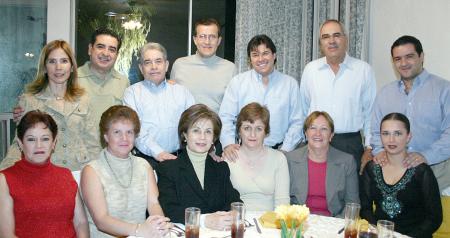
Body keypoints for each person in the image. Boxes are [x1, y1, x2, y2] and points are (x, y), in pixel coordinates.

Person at [366, 35, 450, 238]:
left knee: (434, 226)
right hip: (391, 173)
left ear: (422, 57)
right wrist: (379, 152)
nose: (403, 63)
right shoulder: (385, 93)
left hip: (435, 172)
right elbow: (376, 132)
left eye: (409, 56)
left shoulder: (443, 89)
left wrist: (425, 156)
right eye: (397, 59)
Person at [1, 40, 100, 171]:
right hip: (44, 174)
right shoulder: (29, 100)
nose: (58, 67)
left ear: (71, 67)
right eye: (52, 61)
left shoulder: (84, 99)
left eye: (64, 61)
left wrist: (96, 174)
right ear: (45, 67)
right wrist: (5, 172)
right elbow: (19, 144)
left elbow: (93, 144)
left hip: (78, 172)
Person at [80, 105, 171, 237]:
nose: (124, 138)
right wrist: (140, 230)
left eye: (129, 132)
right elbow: (101, 220)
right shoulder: (92, 171)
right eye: (117, 132)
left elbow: (153, 203)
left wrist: (159, 227)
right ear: (106, 136)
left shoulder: (144, 165)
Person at [13, 28, 130, 127]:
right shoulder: (69, 78)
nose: (105, 53)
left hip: (112, 151)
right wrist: (25, 110)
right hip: (78, 149)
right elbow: (41, 101)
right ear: (90, 49)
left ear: (117, 55)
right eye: (100, 47)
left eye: (112, 49)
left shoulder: (124, 82)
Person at [300, 19, 376, 170]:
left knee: (351, 193)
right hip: (316, 143)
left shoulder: (363, 70)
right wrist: (303, 141)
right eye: (326, 37)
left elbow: (371, 113)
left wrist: (369, 148)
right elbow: (303, 110)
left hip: (349, 144)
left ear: (345, 39)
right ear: (321, 43)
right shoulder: (311, 70)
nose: (331, 41)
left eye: (336, 35)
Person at [0, 110, 89, 237]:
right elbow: (6, 234)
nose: (39, 145)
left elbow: (81, 223)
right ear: (20, 144)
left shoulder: (66, 175)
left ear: (54, 143)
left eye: (45, 139)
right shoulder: (5, 179)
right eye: (31, 139)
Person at [219, 34, 303, 161]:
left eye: (265, 53)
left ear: (274, 56)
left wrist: (285, 150)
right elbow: (225, 117)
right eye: (255, 54)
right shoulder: (238, 83)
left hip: (279, 153)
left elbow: (297, 122)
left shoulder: (290, 84)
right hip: (243, 154)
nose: (261, 59)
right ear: (250, 59)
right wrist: (228, 144)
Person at [157, 104, 241, 230]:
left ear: (214, 138)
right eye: (196, 130)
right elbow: (169, 210)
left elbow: (234, 201)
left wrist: (233, 214)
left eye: (208, 131)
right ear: (185, 134)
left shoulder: (221, 167)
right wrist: (204, 220)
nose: (202, 137)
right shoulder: (167, 168)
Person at [360, 113, 442, 237]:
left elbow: (434, 218)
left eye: (397, 133)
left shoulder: (421, 172)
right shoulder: (371, 169)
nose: (391, 140)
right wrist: (379, 232)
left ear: (408, 137)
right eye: (386, 133)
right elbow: (365, 209)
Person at [123, 43, 195, 168]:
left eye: (158, 61)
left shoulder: (182, 92)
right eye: (147, 62)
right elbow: (134, 129)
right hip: (145, 161)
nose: (154, 67)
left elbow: (194, 123)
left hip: (179, 159)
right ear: (141, 68)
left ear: (166, 65)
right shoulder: (132, 93)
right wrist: (158, 152)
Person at [286, 111, 359, 217]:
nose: (318, 133)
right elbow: (282, 201)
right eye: (313, 128)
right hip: (298, 222)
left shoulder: (347, 162)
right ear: (306, 134)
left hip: (334, 223)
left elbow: (353, 204)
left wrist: (336, 226)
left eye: (324, 129)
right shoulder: (290, 159)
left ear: (331, 135)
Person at [227, 102, 289, 211]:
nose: (252, 134)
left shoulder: (279, 159)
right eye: (247, 128)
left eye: (259, 129)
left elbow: (282, 205)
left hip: (270, 224)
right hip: (237, 223)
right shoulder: (228, 158)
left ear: (266, 132)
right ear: (239, 131)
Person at [170, 18, 237, 113]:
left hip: (218, 127)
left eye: (212, 37)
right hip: (186, 126)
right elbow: (172, 101)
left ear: (219, 41)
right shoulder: (179, 65)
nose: (207, 42)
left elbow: (233, 109)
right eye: (202, 36)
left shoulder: (230, 68)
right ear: (195, 40)